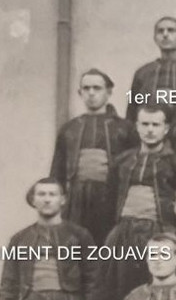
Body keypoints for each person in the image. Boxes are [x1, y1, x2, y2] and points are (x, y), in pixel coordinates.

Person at [99, 106, 176, 300]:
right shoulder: (122, 161)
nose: (150, 130)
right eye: (145, 124)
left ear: (166, 128)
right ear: (137, 126)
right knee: (115, 289)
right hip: (123, 232)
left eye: (156, 125)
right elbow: (109, 200)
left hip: (158, 231)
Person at [50, 69, 134, 237]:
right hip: (76, 201)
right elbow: (57, 172)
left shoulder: (125, 128)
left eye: (97, 88)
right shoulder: (70, 129)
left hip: (111, 199)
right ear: (80, 92)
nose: (91, 93)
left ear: (108, 92)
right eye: (86, 88)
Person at [128, 16, 176, 122]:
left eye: (171, 30)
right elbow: (132, 112)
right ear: (155, 38)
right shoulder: (143, 73)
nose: (165, 34)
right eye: (160, 31)